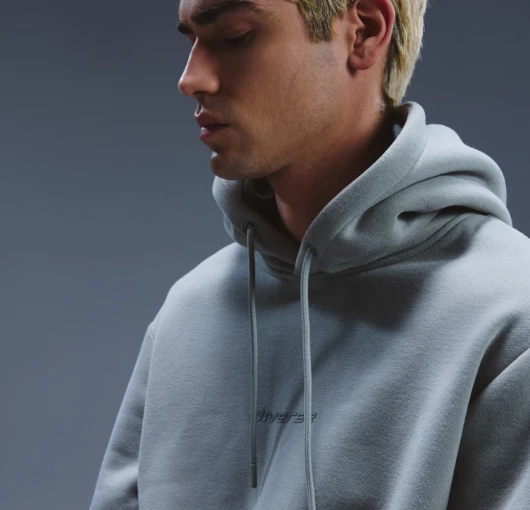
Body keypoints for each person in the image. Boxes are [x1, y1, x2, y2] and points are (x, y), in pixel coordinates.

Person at [89, 0, 530, 508]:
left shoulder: (510, 317)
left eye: (235, 36)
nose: (191, 80)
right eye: (191, 41)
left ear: (364, 31)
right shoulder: (187, 316)